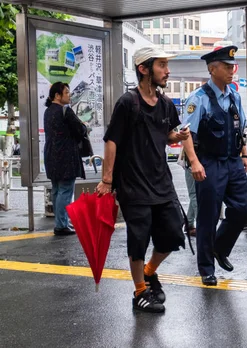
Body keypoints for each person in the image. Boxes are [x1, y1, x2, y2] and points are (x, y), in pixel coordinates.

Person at [96, 46, 190, 313]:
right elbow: (112, 141)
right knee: (138, 239)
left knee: (173, 232)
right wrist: (107, 180)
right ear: (144, 69)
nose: (167, 71)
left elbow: (167, 133)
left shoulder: (166, 104)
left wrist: (177, 138)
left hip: (161, 182)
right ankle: (140, 292)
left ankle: (150, 271)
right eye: (161, 65)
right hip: (133, 184)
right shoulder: (128, 102)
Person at [182, 46, 247, 286]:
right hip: (209, 163)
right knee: (208, 217)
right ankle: (206, 269)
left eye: (232, 66)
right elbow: (187, 134)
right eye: (226, 66)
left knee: (242, 210)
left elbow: (239, 127)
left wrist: (245, 154)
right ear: (212, 69)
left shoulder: (234, 95)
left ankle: (220, 248)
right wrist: (194, 163)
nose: (232, 70)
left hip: (233, 162)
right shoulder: (198, 98)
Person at [43, 82, 88, 236]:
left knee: (57, 189)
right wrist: (84, 125)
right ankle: (62, 225)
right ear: (57, 95)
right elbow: (80, 129)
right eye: (67, 92)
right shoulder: (65, 110)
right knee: (66, 190)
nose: (69, 95)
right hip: (66, 155)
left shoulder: (48, 111)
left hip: (51, 155)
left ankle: (60, 222)